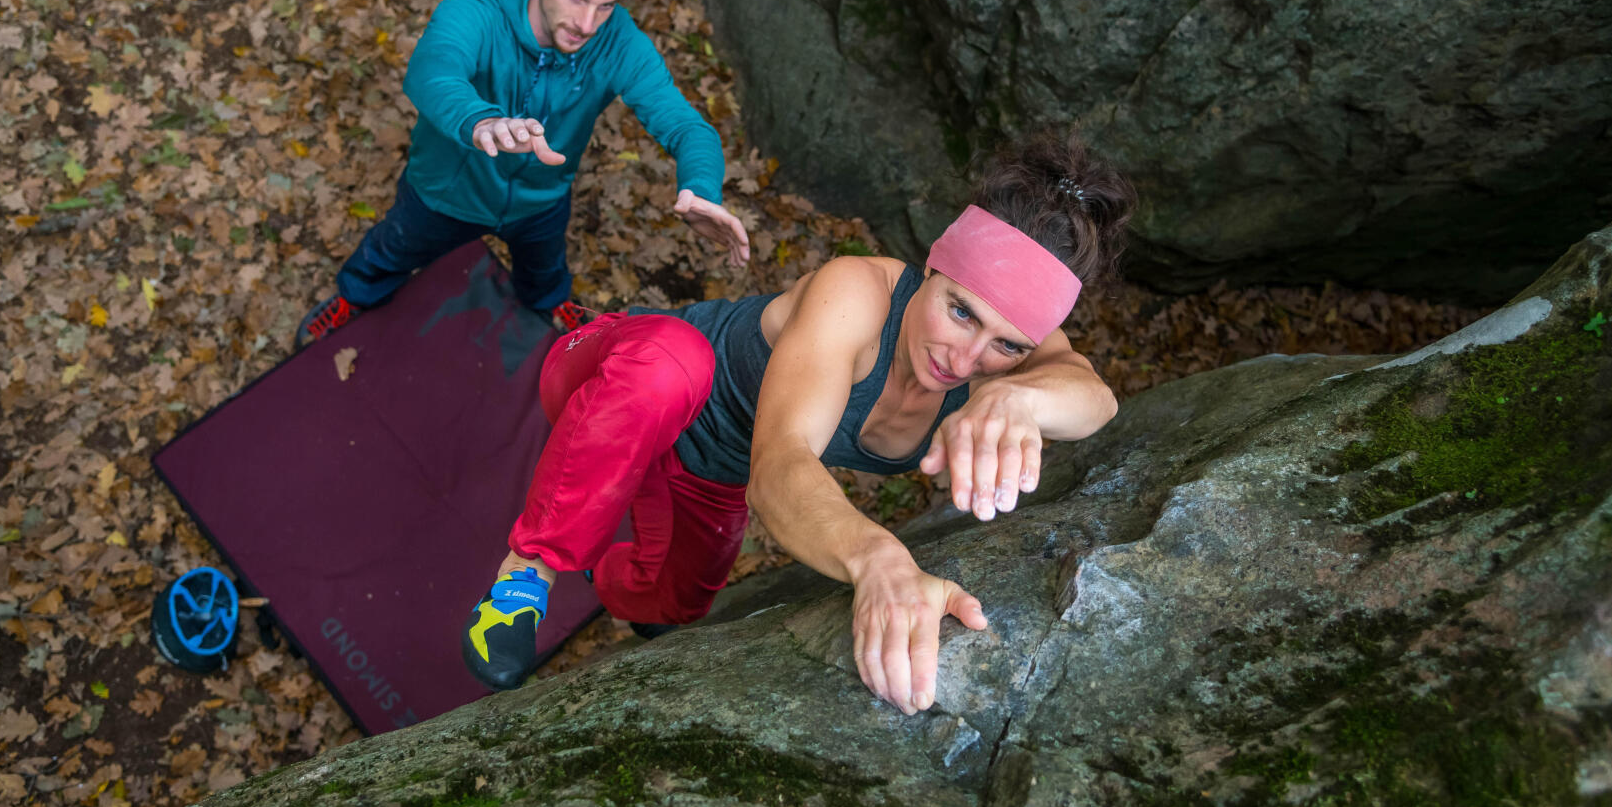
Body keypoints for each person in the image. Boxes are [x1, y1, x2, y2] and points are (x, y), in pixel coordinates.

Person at [462, 128, 1135, 712]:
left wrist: (1019, 398)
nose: (965, 359)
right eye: (960, 311)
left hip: (705, 464)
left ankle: (614, 578)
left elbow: (1093, 397)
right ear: (934, 262)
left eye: (1006, 345)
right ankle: (528, 574)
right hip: (619, 377)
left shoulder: (1006, 361)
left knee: (678, 602)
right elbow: (782, 462)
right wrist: (877, 560)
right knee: (673, 363)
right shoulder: (857, 294)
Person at [296, 0, 751, 347]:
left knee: (544, 268)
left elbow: (686, 125)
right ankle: (354, 297)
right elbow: (434, 70)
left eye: (605, 5)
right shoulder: (479, 11)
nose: (588, 23)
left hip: (542, 199)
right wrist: (481, 122)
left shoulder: (617, 41)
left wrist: (701, 189)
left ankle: (547, 302)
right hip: (448, 190)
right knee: (393, 248)